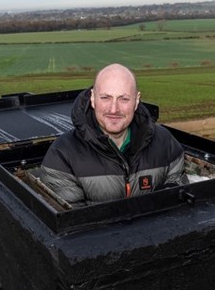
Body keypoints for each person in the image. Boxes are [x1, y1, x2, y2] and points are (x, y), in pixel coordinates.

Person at [40, 63, 187, 207]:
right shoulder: (62, 155)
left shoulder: (165, 143)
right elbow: (74, 224)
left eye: (124, 99)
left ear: (136, 100)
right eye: (105, 98)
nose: (114, 109)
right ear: (93, 98)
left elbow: (178, 193)